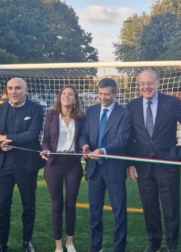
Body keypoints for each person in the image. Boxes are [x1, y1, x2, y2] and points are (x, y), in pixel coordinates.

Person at [127, 69, 181, 252]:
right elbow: (129, 136)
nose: (146, 87)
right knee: (150, 208)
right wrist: (130, 162)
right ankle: (154, 244)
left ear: (158, 83)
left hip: (167, 165)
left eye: (150, 83)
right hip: (143, 167)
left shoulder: (172, 103)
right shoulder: (132, 105)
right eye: (142, 84)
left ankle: (172, 246)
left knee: (171, 209)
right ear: (139, 86)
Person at [0, 77, 45, 252]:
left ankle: (27, 241)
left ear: (25, 90)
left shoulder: (36, 109)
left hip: (26, 165)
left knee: (28, 205)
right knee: (2, 205)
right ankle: (2, 243)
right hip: (4, 165)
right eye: (10, 88)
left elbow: (32, 135)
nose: (14, 91)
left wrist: (4, 138)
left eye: (18, 88)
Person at [78, 78, 132, 252]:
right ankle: (96, 246)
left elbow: (122, 140)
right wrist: (84, 145)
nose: (103, 97)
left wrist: (103, 150)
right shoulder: (91, 111)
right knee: (95, 212)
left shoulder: (124, 114)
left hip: (114, 169)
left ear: (115, 94)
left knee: (119, 212)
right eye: (100, 94)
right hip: (94, 170)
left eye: (107, 94)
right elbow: (83, 134)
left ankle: (119, 248)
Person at [40, 86, 85, 252]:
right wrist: (45, 149)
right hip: (54, 164)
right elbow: (45, 140)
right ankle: (58, 245)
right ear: (60, 97)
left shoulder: (80, 117)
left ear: (75, 99)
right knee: (57, 204)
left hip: (73, 164)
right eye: (64, 93)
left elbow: (83, 139)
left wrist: (85, 147)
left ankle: (69, 242)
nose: (66, 96)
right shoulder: (51, 116)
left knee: (71, 204)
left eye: (70, 94)